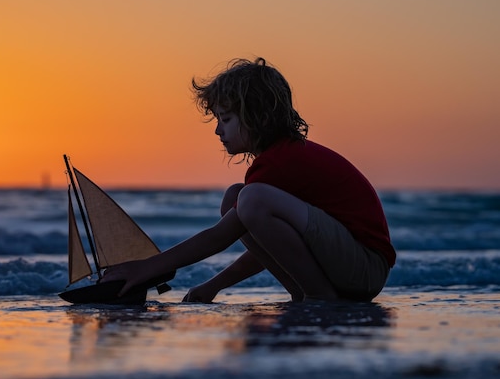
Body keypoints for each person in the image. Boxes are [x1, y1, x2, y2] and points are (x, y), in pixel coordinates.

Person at [102, 57, 396, 303]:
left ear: (259, 117)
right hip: (353, 269)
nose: (218, 131)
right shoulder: (277, 165)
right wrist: (213, 286)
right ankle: (309, 294)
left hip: (365, 266)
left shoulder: (281, 163)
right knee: (237, 198)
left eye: (226, 119)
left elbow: (219, 236)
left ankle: (318, 297)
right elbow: (277, 246)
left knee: (250, 199)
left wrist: (148, 268)